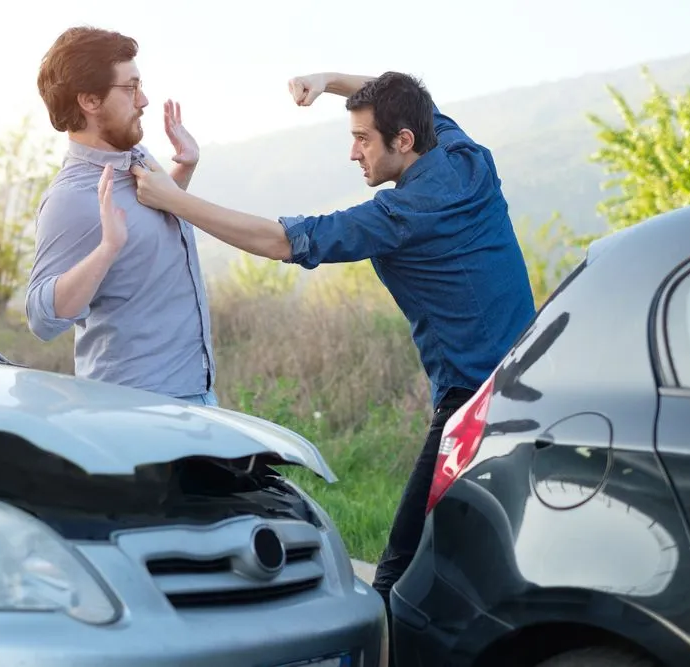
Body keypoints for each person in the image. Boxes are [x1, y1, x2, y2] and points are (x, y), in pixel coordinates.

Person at [128, 69, 537, 647]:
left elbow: (282, 241)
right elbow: (408, 96)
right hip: (530, 377)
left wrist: (176, 200)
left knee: (397, 573)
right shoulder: (462, 153)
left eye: (363, 140)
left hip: (471, 402)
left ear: (402, 143)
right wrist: (329, 82)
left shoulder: (400, 217)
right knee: (482, 554)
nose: (352, 153)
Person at [26, 26, 217, 406]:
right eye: (130, 88)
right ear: (90, 101)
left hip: (193, 389)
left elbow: (150, 223)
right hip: (136, 407)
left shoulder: (137, 157)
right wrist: (106, 249)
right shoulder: (71, 199)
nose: (143, 100)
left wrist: (184, 169)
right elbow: (41, 318)